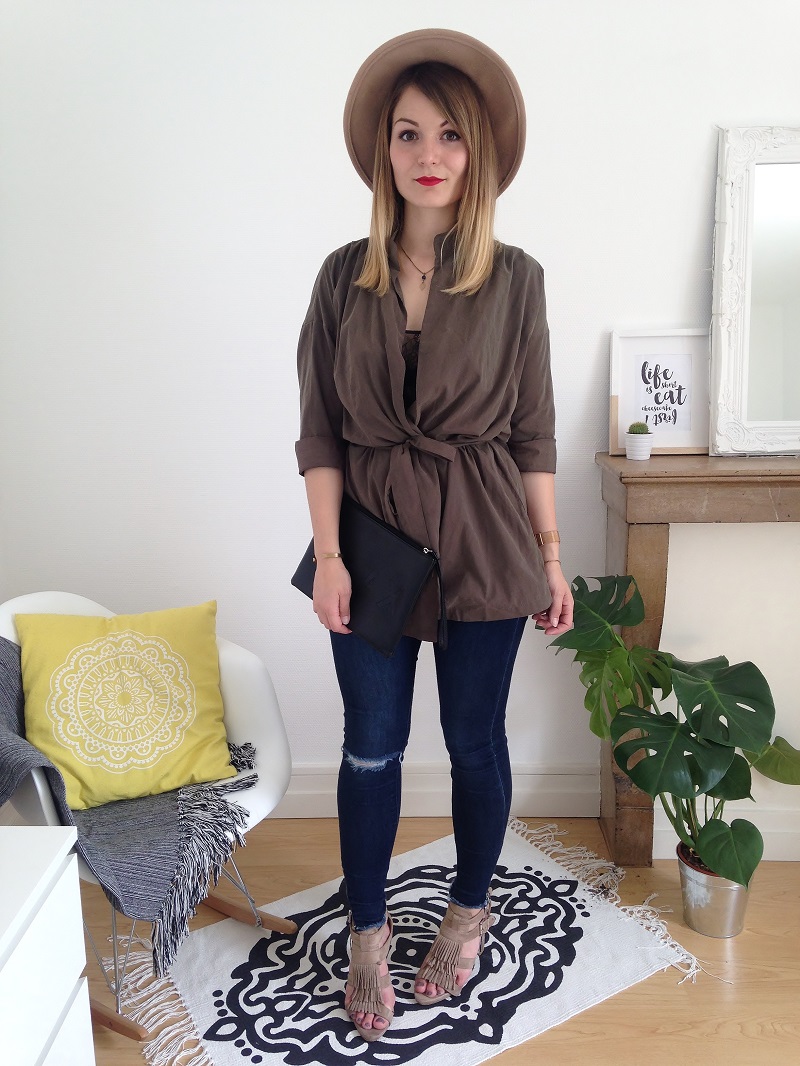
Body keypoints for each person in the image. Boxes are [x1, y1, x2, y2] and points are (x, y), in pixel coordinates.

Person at [295, 28, 574, 1043]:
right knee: (370, 747)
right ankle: (367, 932)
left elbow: (532, 432)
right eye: (408, 132)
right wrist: (330, 557)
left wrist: (550, 558)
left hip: (486, 538)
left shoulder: (517, 279)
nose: (429, 153)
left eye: (450, 134)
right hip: (369, 541)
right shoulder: (342, 278)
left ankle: (467, 913)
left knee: (472, 741)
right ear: (383, 148)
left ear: (477, 151)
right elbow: (320, 433)